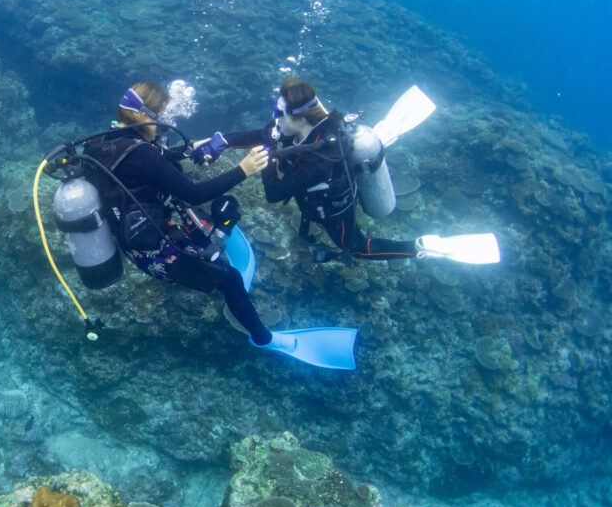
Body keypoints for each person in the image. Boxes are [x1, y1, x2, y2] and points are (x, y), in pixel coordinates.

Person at [84, 81, 294, 350]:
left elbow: (155, 161)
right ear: (144, 115)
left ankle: (206, 249)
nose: (164, 123)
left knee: (217, 213)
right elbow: (193, 194)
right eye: (162, 116)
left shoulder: (105, 141)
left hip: (132, 236)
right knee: (230, 279)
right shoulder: (142, 153)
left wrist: (196, 148)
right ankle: (263, 339)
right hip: (152, 253)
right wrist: (244, 169)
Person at [197, 77, 484, 262]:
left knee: (355, 247)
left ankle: (420, 247)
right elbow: (266, 132)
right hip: (320, 181)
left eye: (280, 114)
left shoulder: (318, 161)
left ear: (300, 118)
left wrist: (267, 157)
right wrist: (221, 142)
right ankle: (384, 134)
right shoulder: (314, 122)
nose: (275, 119)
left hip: (334, 207)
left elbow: (274, 193)